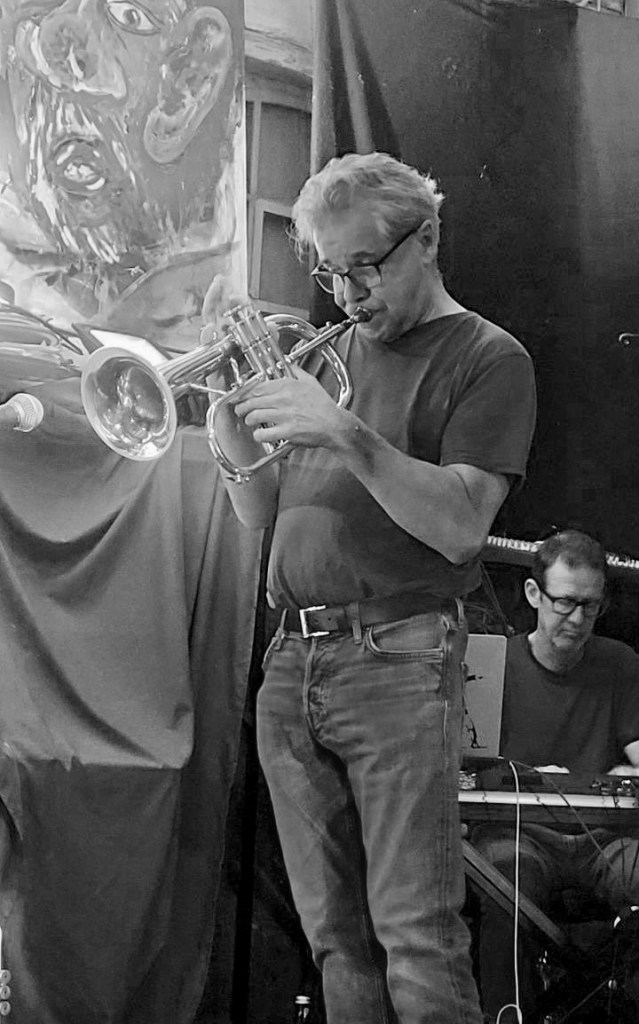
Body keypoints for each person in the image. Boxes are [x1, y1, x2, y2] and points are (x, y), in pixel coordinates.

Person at [215, 151, 537, 1024]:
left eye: (364, 267)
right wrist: (234, 442)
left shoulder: (488, 357)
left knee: (415, 937)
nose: (346, 294)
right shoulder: (323, 358)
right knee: (334, 941)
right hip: (292, 661)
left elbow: (462, 524)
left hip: (397, 658)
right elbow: (263, 515)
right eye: (329, 272)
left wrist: (345, 432)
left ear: (425, 239)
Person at [0, 0, 242, 346]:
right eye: (41, 8)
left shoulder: (203, 281)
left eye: (129, 16)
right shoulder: (21, 266)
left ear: (191, 83)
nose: (67, 65)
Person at [472, 529, 639, 1024]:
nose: (578, 619)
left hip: (604, 839)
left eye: (591, 606)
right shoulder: (495, 664)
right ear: (533, 594)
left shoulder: (619, 663)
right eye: (565, 603)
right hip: (518, 835)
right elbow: (464, 765)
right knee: (504, 884)